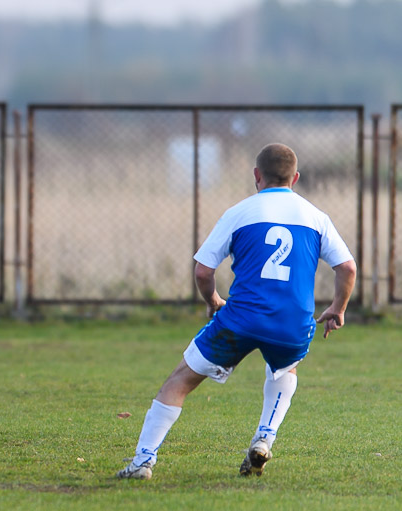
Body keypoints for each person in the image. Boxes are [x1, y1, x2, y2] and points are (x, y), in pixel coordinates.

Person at [117, 143, 357, 479]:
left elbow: (203, 271)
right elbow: (347, 268)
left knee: (179, 381)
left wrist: (213, 300)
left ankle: (143, 461)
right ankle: (264, 437)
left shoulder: (239, 213)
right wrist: (337, 308)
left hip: (240, 319)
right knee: (285, 369)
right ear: (295, 178)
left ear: (257, 175)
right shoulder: (317, 218)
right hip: (292, 324)